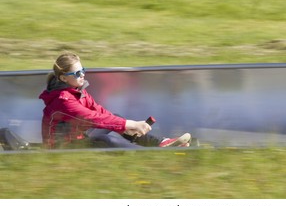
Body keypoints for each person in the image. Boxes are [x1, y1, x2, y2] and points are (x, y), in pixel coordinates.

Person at [38, 52, 191, 149]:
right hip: (62, 149)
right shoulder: (62, 100)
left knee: (116, 117)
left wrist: (126, 126)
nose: (82, 75)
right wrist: (129, 124)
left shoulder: (79, 92)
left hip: (77, 138)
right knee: (106, 141)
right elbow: (91, 118)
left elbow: (99, 111)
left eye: (83, 70)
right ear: (64, 78)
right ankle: (148, 155)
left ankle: (160, 143)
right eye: (77, 73)